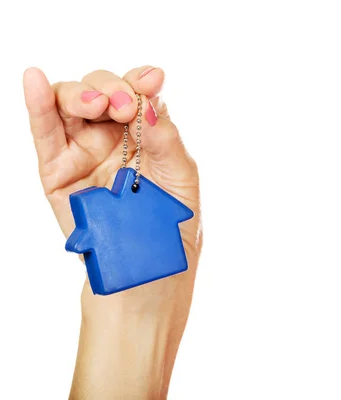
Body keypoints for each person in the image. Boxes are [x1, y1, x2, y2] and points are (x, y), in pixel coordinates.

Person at [22, 66, 203, 399]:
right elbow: (81, 240)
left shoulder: (144, 197)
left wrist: (143, 311)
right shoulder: (101, 206)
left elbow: (179, 214)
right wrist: (129, 312)